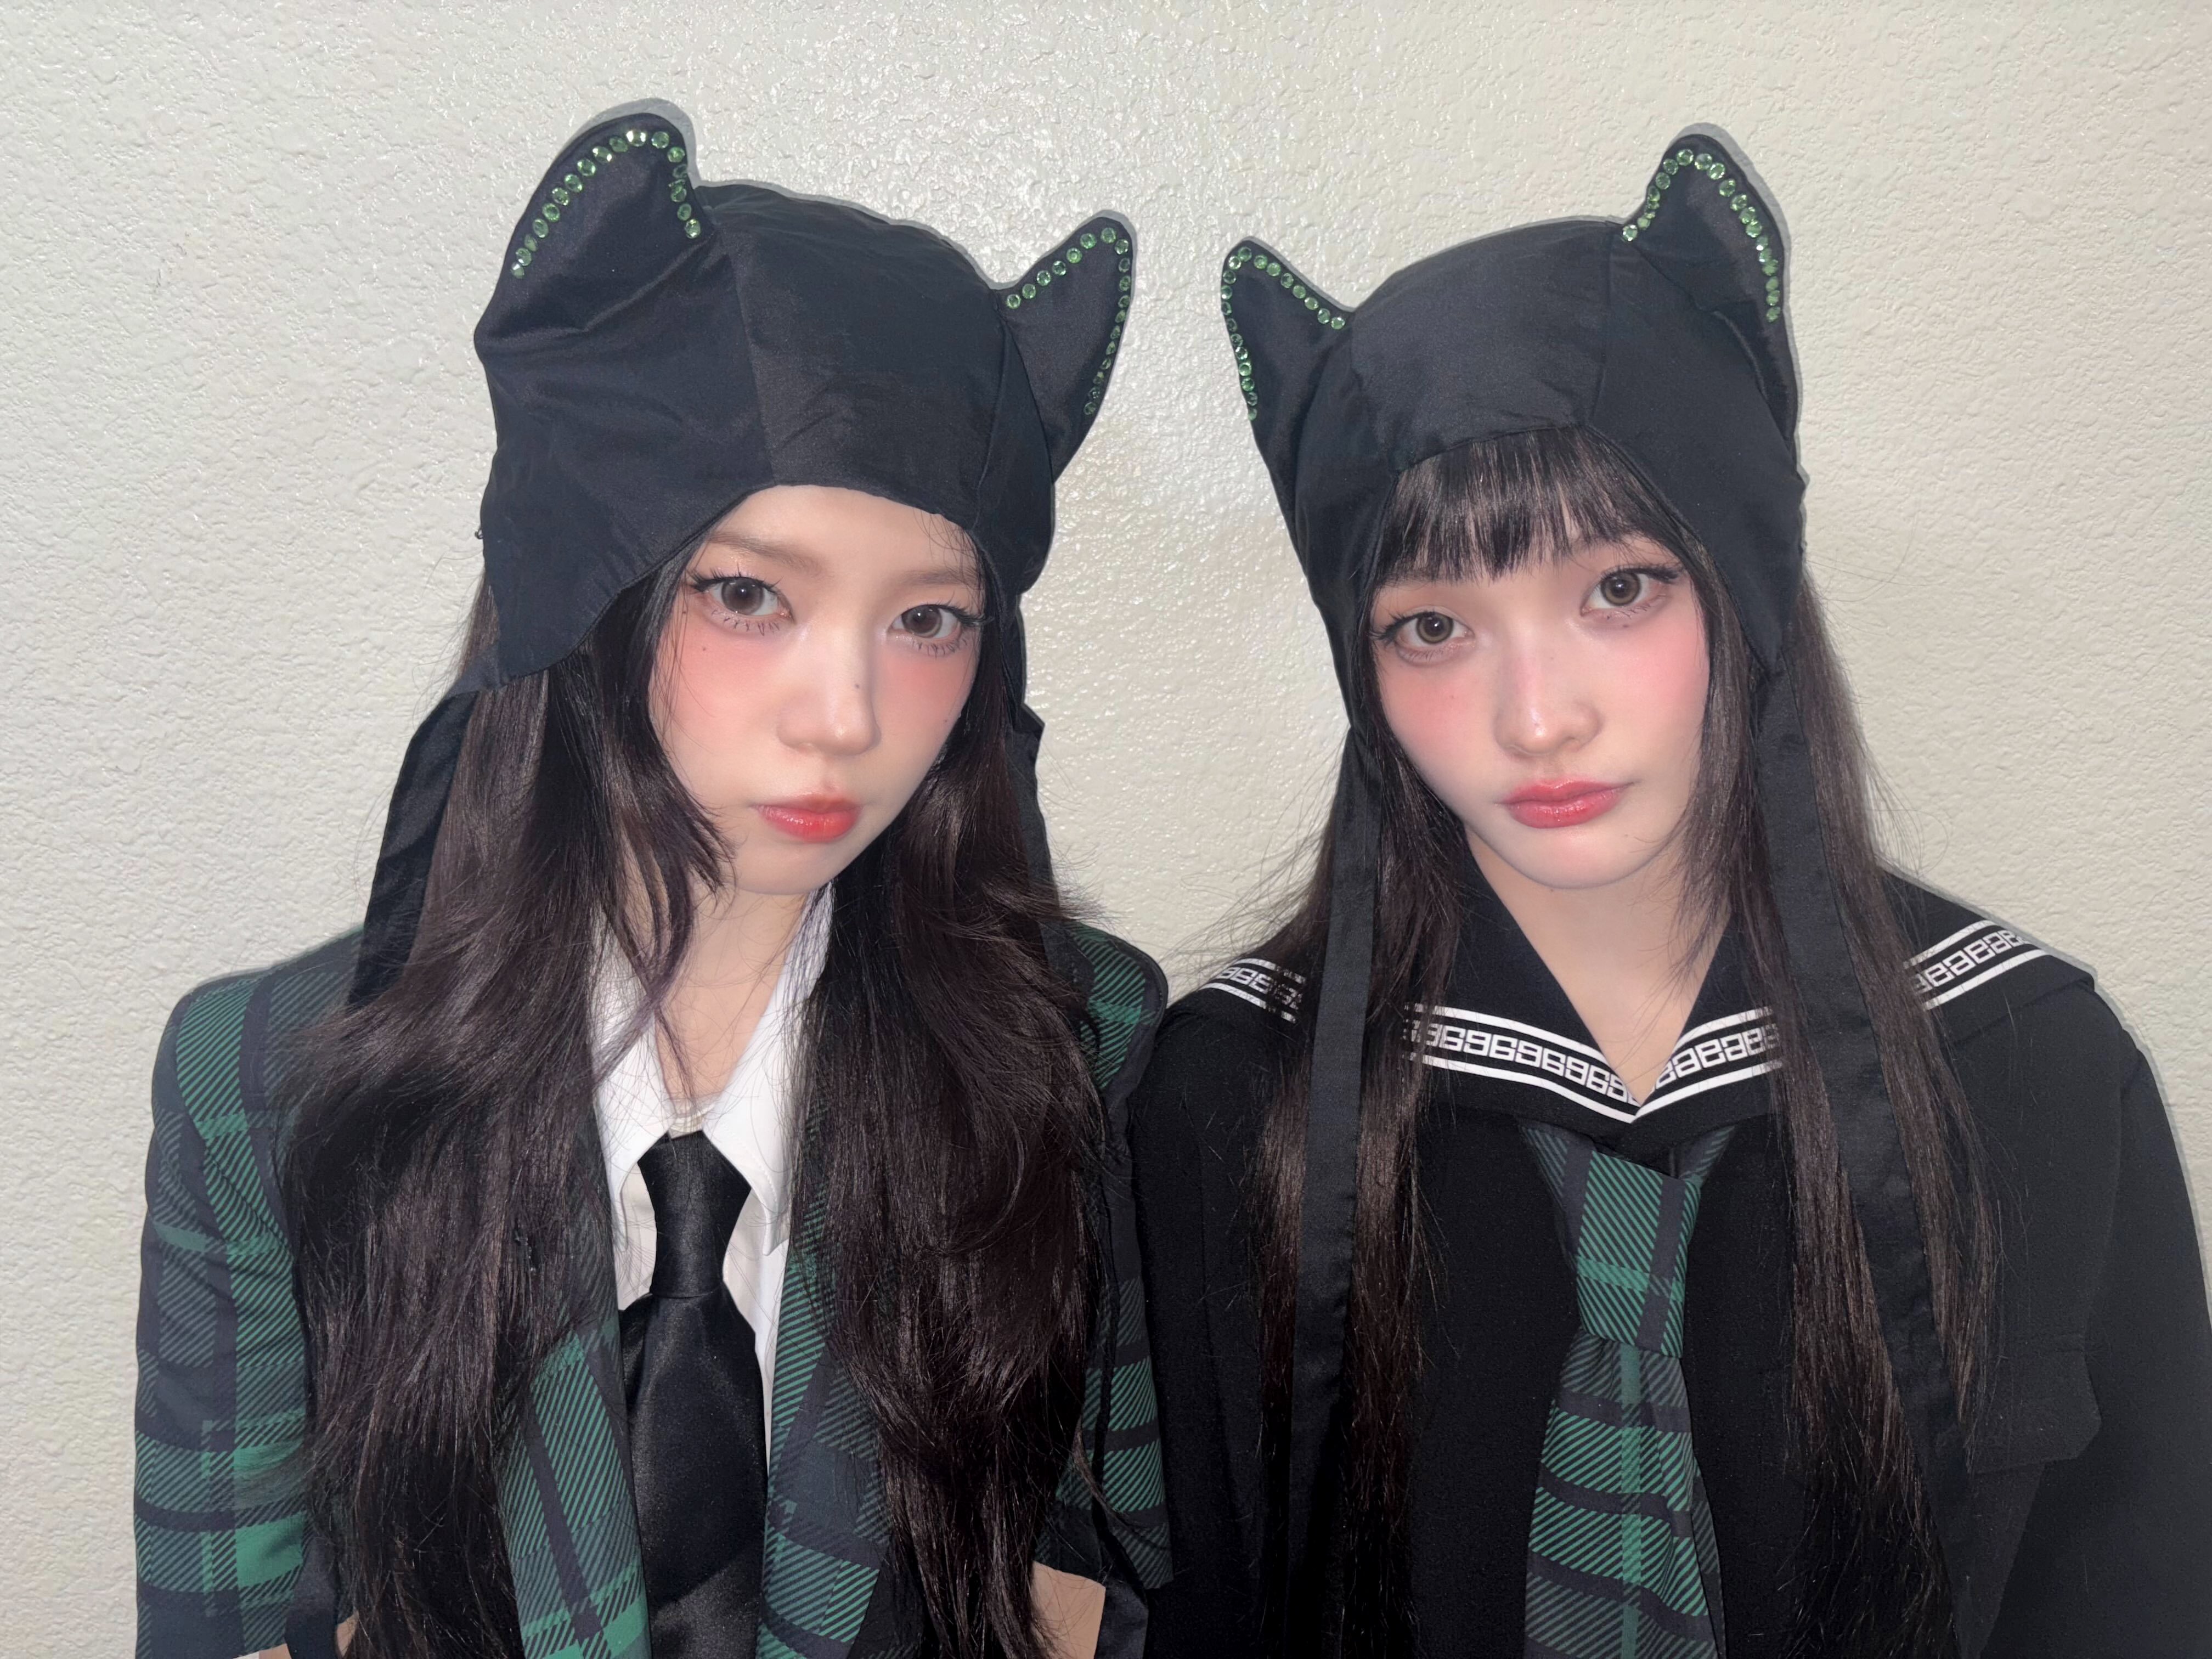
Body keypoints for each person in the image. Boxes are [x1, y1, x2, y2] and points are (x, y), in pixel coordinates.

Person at [1129, 128, 2212, 1658]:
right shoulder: (1230, 1093)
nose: (1538, 717)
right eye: (1433, 626)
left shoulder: (2028, 1064)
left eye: (1619, 589)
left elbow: (2142, 1590)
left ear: (1743, 590)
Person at [134, 106, 1167, 1659]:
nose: (846, 716)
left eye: (929, 620)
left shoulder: (1076, 1044)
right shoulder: (270, 1084)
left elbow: (1115, 1580)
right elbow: (223, 1619)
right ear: (584, 594)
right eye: (747, 595)